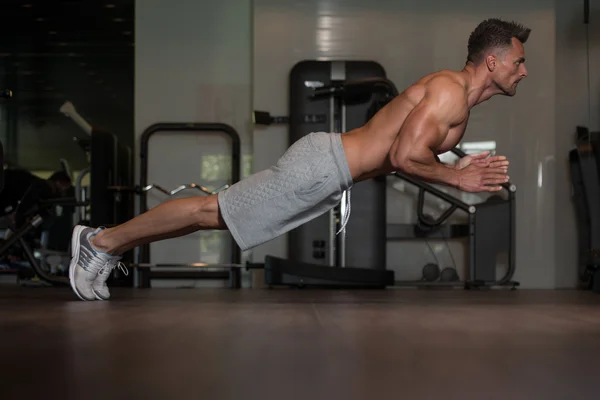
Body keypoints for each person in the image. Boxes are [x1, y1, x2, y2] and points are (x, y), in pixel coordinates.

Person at [68, 18, 529, 301]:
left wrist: (459, 170)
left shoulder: (458, 106)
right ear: (491, 61)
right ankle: (101, 243)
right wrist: (456, 177)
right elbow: (404, 156)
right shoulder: (450, 92)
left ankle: (107, 245)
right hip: (322, 167)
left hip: (328, 173)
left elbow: (410, 152)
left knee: (215, 218)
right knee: (213, 210)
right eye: (518, 62)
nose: (523, 71)